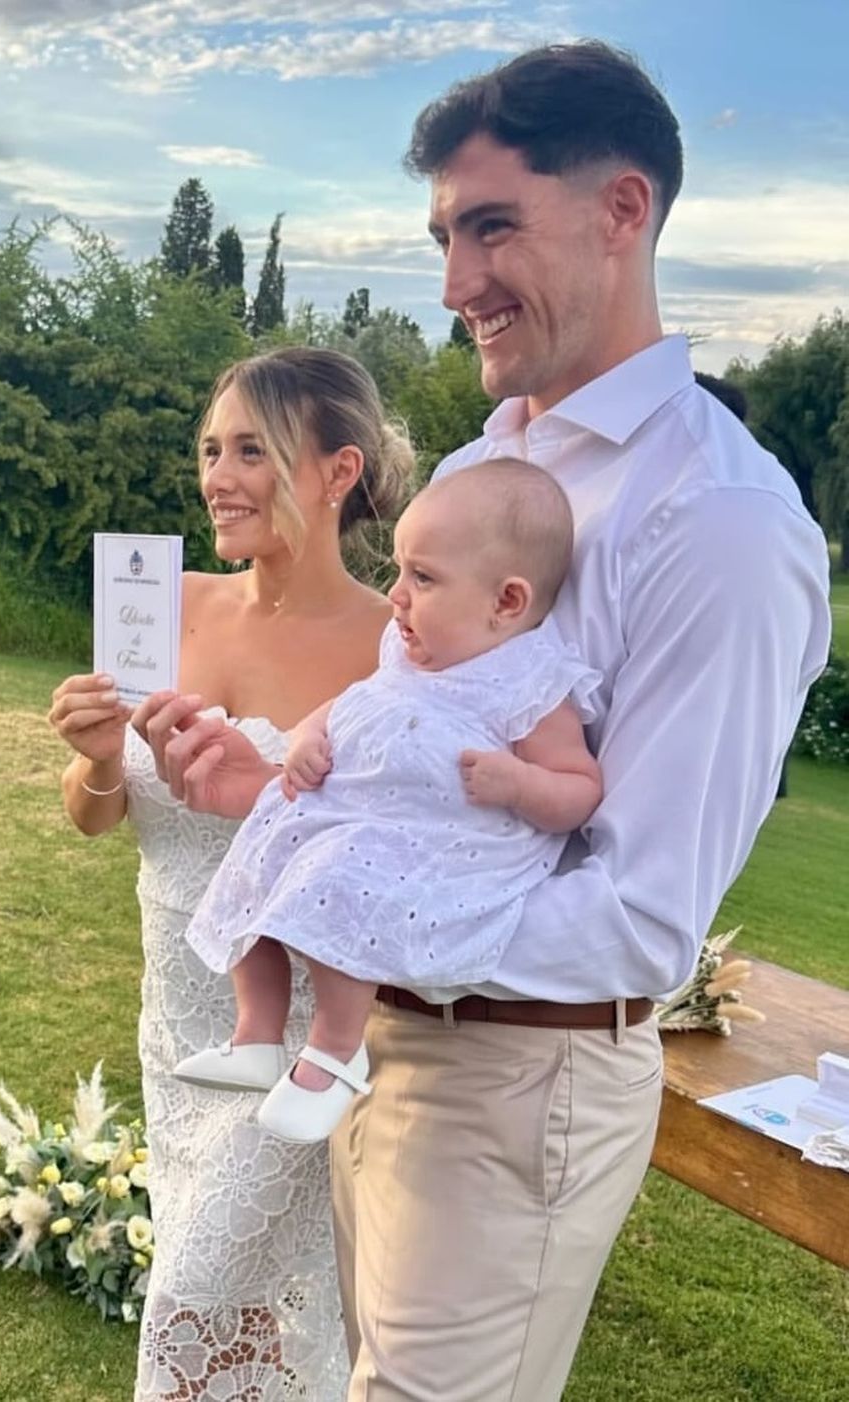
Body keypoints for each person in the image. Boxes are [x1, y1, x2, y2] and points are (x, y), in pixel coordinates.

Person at [135, 40, 831, 1402]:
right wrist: (273, 784)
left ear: (623, 210)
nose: (456, 283)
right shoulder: (483, 462)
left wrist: (362, 912)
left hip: (523, 1073)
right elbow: (410, 741)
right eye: (444, 237)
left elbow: (640, 917)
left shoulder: (723, 522)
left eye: (493, 226)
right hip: (386, 1034)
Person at [49, 346, 413, 1400]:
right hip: (179, 1021)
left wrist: (259, 791)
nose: (218, 476)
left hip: (302, 1031)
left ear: (338, 471)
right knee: (230, 1311)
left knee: (199, 1297)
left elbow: (402, 854)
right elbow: (97, 816)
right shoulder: (167, 603)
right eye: (211, 450)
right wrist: (95, 756)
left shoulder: (396, 647)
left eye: (252, 450)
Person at [177, 463, 603, 1144]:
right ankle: (257, 1032)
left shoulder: (528, 683)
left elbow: (580, 786)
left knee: (342, 879)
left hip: (429, 844)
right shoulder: (406, 653)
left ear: (507, 601)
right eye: (401, 571)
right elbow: (351, 703)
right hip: (350, 812)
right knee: (260, 852)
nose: (396, 594)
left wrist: (520, 785)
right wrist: (307, 738)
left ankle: (336, 1049)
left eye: (423, 578)